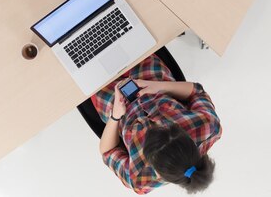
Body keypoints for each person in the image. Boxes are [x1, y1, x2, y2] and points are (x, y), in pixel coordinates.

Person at [95, 54, 222, 194]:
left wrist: (115, 116)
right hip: (147, 71)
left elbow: (107, 152)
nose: (156, 123)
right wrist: (159, 87)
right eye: (169, 126)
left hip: (109, 96)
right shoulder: (208, 127)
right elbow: (197, 92)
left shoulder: (140, 179)